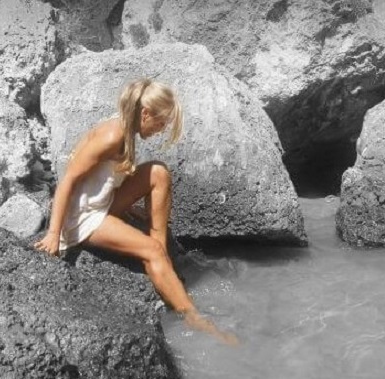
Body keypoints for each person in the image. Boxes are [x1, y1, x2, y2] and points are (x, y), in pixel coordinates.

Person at [34, 78, 238, 345]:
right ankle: (193, 317)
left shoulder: (125, 126)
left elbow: (104, 177)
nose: (161, 129)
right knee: (150, 252)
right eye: (161, 122)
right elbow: (68, 181)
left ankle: (160, 253)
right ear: (145, 113)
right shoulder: (113, 135)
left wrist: (128, 208)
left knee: (159, 173)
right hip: (84, 217)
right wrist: (53, 234)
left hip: (104, 203)